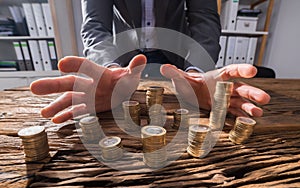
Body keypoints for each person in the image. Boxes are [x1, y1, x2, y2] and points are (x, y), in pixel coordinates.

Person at [30, 0, 270, 123]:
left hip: (178, 56)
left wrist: (197, 71)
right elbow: (95, 25)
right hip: (125, 57)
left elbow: (204, 18)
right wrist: (110, 69)